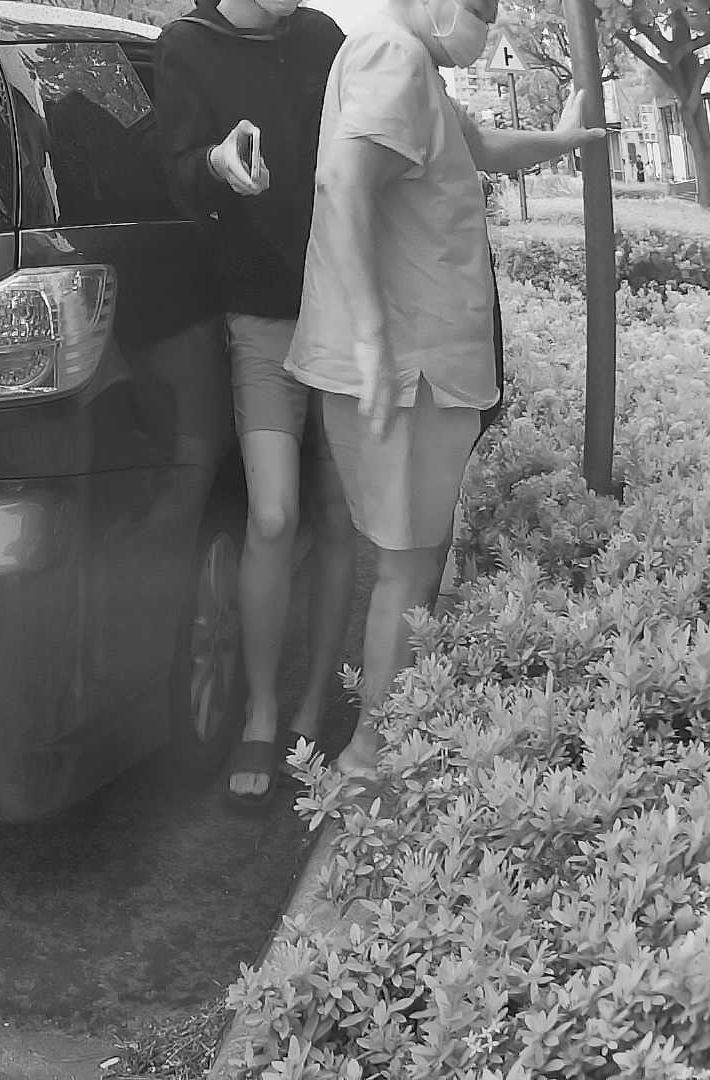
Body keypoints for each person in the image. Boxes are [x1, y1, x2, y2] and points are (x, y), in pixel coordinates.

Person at [285, 0, 605, 779]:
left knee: (418, 557)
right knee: (407, 565)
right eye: (478, 7)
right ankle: (370, 754)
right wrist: (370, 336)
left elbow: (481, 145)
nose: (484, 25)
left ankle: (393, 735)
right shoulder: (393, 56)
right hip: (407, 369)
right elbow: (342, 182)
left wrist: (564, 139)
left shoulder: (411, 64)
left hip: (419, 365)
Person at [157, 0, 357, 805]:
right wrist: (215, 161)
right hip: (262, 321)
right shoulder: (187, 46)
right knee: (272, 516)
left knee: (339, 516)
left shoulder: (322, 38)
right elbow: (173, 168)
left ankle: (312, 705)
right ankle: (262, 709)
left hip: (345, 314)